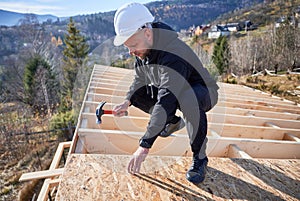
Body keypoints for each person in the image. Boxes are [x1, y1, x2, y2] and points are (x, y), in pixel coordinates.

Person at [112, 2, 219, 184]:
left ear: (147, 33)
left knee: (187, 98)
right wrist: (127, 101)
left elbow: (166, 100)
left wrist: (144, 145)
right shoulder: (144, 51)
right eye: (127, 47)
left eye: (133, 45)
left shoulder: (173, 54)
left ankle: (200, 159)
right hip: (175, 90)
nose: (130, 52)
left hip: (202, 91)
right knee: (137, 93)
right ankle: (171, 123)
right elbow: (139, 79)